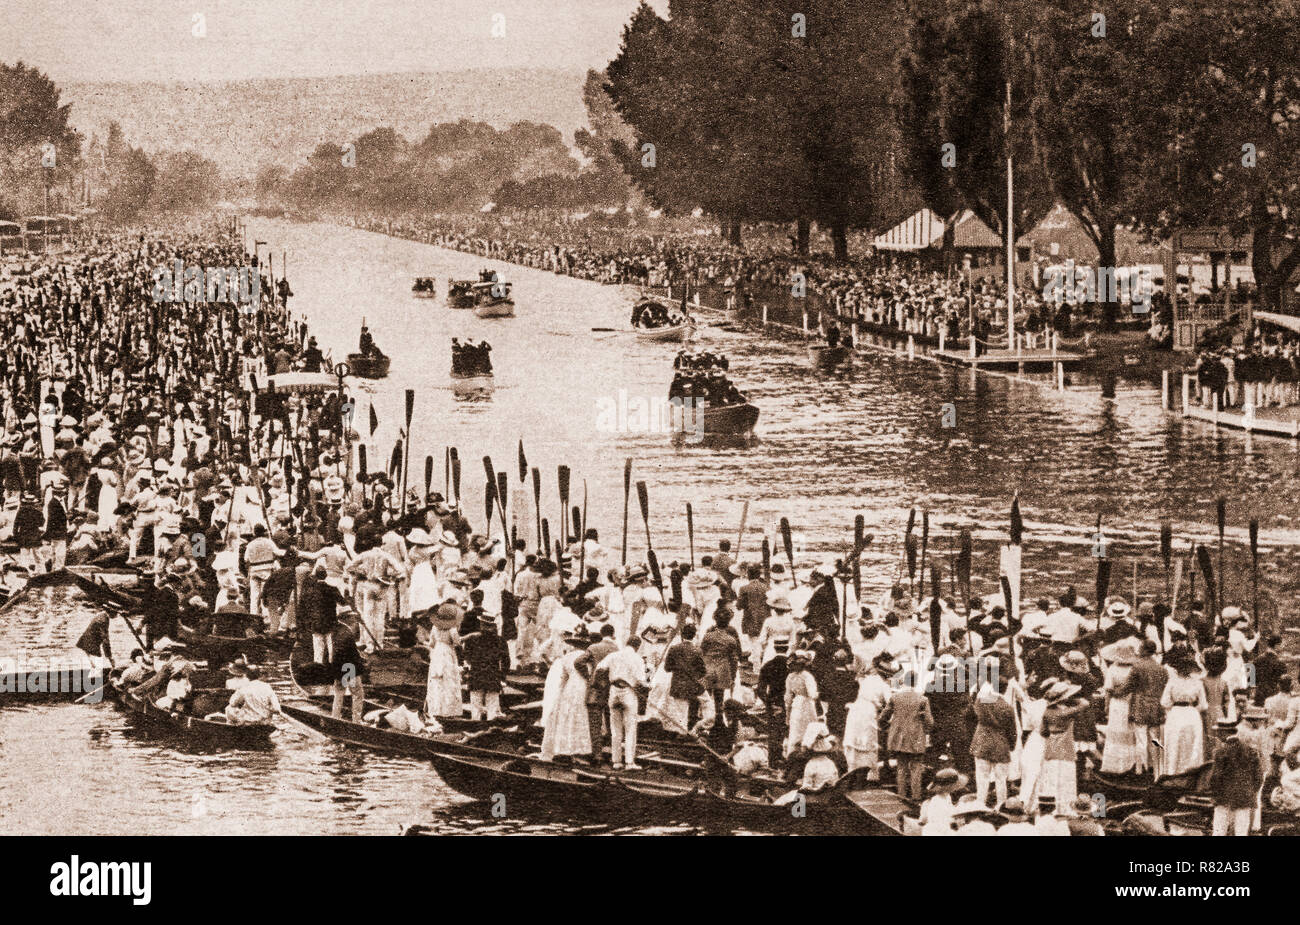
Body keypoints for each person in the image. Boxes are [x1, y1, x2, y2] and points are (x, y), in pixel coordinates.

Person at [540, 632, 593, 762]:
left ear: (574, 644)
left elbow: (564, 678)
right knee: (581, 714)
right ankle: (580, 749)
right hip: (584, 685)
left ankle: (565, 747)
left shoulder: (567, 657)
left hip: (570, 687)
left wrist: (560, 694)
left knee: (567, 715)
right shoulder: (589, 657)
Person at [881, 670, 933, 802]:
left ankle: (901, 796)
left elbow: (883, 717)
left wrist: (890, 727)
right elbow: (929, 722)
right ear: (916, 683)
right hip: (916, 738)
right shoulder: (923, 699)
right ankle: (916, 797)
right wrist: (925, 731)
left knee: (901, 767)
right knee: (916, 768)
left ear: (904, 681)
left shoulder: (895, 697)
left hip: (898, 738)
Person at [970, 671, 1016, 808]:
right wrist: (1012, 745)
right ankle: (1001, 806)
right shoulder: (1008, 707)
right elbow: (1012, 731)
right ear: (1005, 689)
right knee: (1001, 779)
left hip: (982, 742)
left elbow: (972, 712)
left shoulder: (981, 700)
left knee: (982, 777)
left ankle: (980, 804)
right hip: (1001, 745)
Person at [603, 635, 647, 770]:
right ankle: (629, 763)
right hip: (628, 692)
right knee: (630, 729)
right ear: (637, 646)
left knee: (615, 729)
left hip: (613, 691)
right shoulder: (637, 658)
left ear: (626, 643)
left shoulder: (613, 655)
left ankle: (616, 761)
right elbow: (641, 681)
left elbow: (600, 668)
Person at [1160, 654, 1208, 776]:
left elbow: (1164, 701)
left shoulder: (1172, 682)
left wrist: (1172, 707)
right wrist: (1193, 709)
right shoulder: (1197, 683)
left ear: (1177, 669)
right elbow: (1203, 705)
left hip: (1176, 714)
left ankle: (1173, 773)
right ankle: (1191, 774)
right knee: (1192, 745)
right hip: (1192, 715)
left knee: (1174, 744)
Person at [1210, 732, 1263, 836]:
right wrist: (1251, 791)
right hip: (1245, 797)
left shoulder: (1221, 752)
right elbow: (1259, 778)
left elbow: (1215, 777)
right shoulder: (1251, 751)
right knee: (1241, 832)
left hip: (1223, 798)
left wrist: (1216, 793)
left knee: (1219, 831)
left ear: (1224, 733)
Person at [462, 611, 511, 720]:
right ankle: (491, 725)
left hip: (476, 675)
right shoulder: (501, 641)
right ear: (493, 626)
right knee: (492, 706)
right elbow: (506, 662)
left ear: (481, 624)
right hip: (493, 676)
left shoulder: (472, 639)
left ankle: (475, 725)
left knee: (475, 707)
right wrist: (502, 676)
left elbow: (466, 657)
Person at [1128, 638, 1168, 774]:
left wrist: (1116, 692)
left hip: (1140, 705)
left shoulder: (1137, 667)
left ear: (1144, 650)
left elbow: (1129, 686)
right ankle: (1156, 769)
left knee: (1140, 739)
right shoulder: (1162, 669)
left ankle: (1141, 769)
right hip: (1156, 705)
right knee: (1155, 740)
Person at [663, 622, 707, 730]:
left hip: (678, 685)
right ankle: (692, 731)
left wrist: (678, 668)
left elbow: (667, 668)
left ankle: (681, 733)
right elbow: (703, 671)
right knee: (694, 712)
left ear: (682, 634)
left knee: (680, 716)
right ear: (694, 635)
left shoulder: (674, 649)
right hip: (693, 687)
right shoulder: (697, 650)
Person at [424, 605, 463, 719]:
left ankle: (435, 709)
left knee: (436, 682)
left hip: (437, 654)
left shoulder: (434, 628)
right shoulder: (452, 629)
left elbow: (431, 643)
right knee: (449, 682)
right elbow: (457, 643)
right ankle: (448, 711)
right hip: (448, 654)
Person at [330, 609, 367, 723]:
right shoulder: (347, 631)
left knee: (339, 693)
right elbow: (351, 653)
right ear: (345, 618)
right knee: (357, 693)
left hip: (338, 667)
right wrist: (361, 662)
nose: (353, 618)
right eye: (351, 616)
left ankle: (335, 718)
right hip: (349, 667)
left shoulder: (335, 630)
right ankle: (357, 720)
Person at [783, 652, 821, 756]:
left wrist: (787, 714)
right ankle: (808, 753)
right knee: (808, 730)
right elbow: (812, 694)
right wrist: (818, 694)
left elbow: (788, 697)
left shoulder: (790, 676)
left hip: (796, 705)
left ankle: (793, 754)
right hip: (807, 705)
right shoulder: (807, 676)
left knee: (795, 731)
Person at [918, 767, 965, 835]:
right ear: (949, 786)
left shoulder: (947, 797)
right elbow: (944, 823)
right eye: (955, 784)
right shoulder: (937, 802)